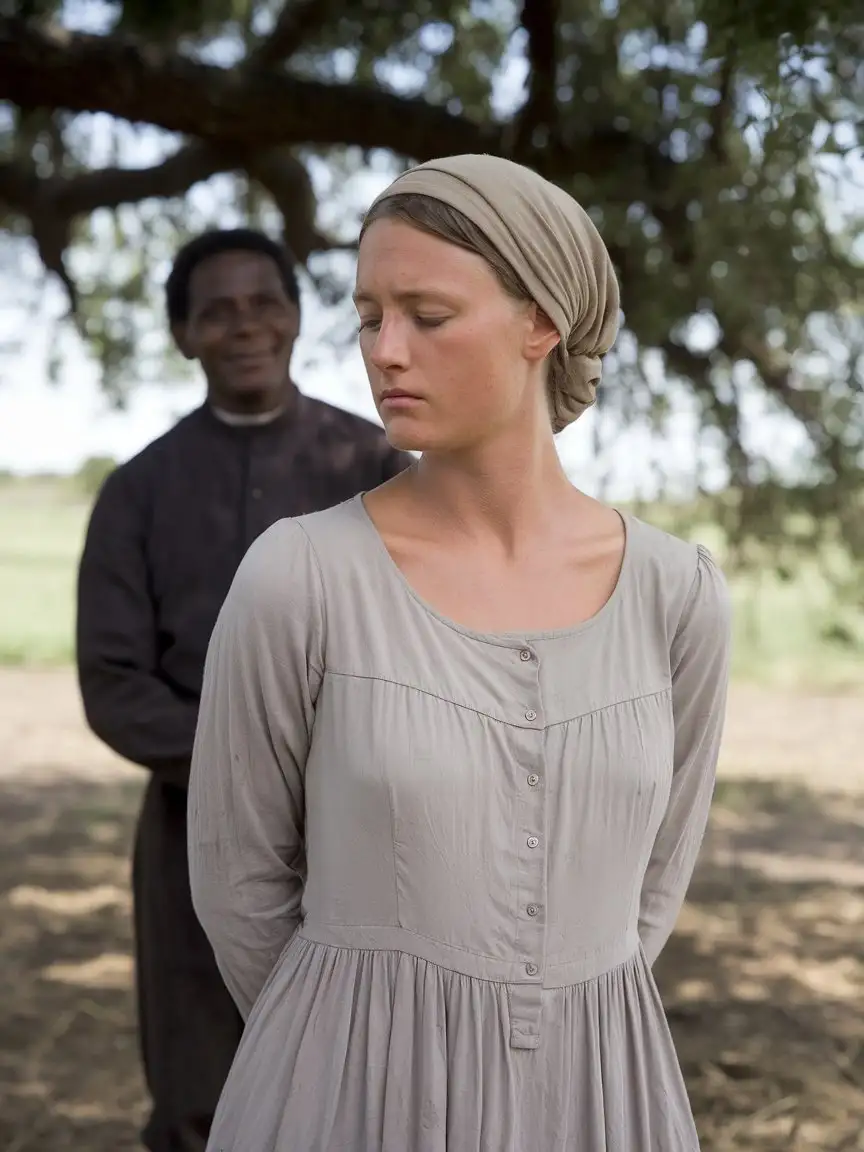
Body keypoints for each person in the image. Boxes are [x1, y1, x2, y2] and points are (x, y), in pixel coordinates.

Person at [188, 158, 732, 1151]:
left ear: (540, 325)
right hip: (343, 1097)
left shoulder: (676, 593)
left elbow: (654, 886)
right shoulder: (300, 577)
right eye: (367, 317)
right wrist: (356, 1044)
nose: (385, 352)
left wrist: (561, 1025)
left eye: (427, 317)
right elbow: (238, 882)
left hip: (598, 1098)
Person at [75, 227, 412, 1152]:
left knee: (366, 1087)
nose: (246, 326)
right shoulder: (137, 492)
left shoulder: (382, 472)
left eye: (265, 303)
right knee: (200, 1095)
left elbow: (431, 651)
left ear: (301, 319)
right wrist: (249, 775)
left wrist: (337, 772)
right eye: (216, 312)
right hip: (191, 832)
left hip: (365, 834)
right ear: (184, 335)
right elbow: (112, 685)